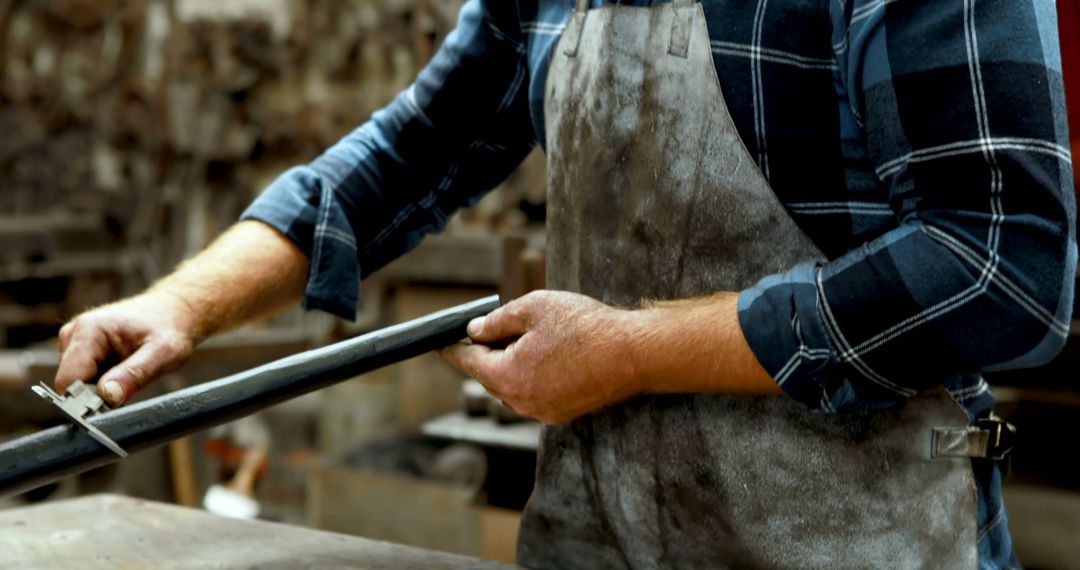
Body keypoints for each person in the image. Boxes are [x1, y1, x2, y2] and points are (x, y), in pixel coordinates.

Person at [55, 0, 1075, 568]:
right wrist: (181, 303)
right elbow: (403, 159)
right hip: (593, 545)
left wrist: (632, 352)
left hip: (856, 547)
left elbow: (1003, 266)